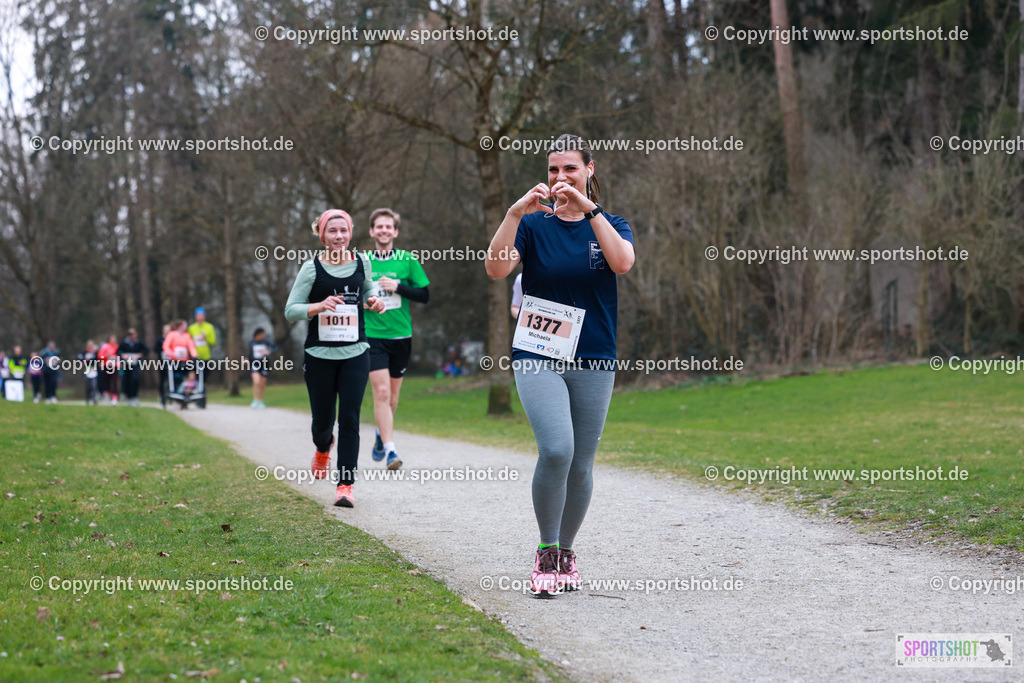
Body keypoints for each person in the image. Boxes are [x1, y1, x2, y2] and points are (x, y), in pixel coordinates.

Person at [485, 133, 635, 597]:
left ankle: (567, 552)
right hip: (539, 354)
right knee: (556, 450)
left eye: (570, 168)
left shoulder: (611, 223)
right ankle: (546, 551)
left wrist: (590, 211)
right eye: (553, 169)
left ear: (590, 169)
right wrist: (513, 214)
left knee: (581, 465)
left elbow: (622, 263)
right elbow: (496, 269)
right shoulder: (533, 226)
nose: (560, 177)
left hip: (594, 356)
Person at [284, 209, 384, 508]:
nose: (339, 236)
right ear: (322, 235)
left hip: (356, 352)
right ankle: (322, 446)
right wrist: (318, 306)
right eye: (332, 231)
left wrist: (374, 300)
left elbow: (368, 289)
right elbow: (291, 310)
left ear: (350, 232)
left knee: (350, 419)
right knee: (322, 423)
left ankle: (345, 485)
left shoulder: (362, 262)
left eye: (343, 230)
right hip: (319, 356)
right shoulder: (311, 268)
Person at [364, 208, 430, 470]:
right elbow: (352, 294)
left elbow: (424, 295)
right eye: (379, 226)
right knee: (381, 392)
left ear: (395, 231)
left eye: (388, 226)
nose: (384, 230)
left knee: (392, 398)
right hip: (373, 336)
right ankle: (391, 451)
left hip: (401, 335)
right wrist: (365, 302)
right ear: (372, 231)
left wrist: (398, 287)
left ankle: (381, 433)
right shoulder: (363, 262)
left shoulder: (407, 260)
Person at [162, 320, 197, 398]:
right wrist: (171, 353)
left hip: (184, 361)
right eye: (185, 325)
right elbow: (166, 345)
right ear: (180, 326)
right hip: (174, 360)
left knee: (189, 372)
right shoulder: (172, 334)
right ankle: (174, 390)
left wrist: (194, 354)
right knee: (174, 376)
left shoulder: (187, 336)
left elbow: (191, 346)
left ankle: (186, 389)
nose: (187, 327)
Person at [246, 327, 279, 409]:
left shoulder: (266, 341)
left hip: (265, 364)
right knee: (256, 381)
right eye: (261, 335)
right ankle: (255, 399)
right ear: (257, 335)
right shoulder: (252, 342)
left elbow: (276, 347)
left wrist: (269, 352)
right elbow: (250, 353)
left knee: (262, 383)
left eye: (263, 335)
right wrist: (246, 359)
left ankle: (260, 400)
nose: (262, 336)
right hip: (255, 364)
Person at [118, 328, 149, 406]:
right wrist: (123, 355)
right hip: (126, 364)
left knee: (135, 379)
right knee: (127, 380)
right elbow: (118, 351)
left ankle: (134, 396)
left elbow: (146, 350)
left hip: (135, 364)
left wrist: (140, 354)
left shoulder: (139, 342)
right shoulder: (124, 343)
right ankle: (128, 397)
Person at [97, 334, 121, 405]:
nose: (113, 340)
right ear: (109, 340)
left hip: (115, 366)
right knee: (106, 382)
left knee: (115, 382)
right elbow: (99, 356)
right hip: (106, 366)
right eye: (112, 339)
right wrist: (106, 356)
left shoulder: (117, 347)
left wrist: (116, 357)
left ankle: (114, 398)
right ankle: (106, 397)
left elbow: (120, 355)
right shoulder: (105, 346)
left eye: (114, 339)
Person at [78, 340, 101, 405]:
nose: (90, 346)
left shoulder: (95, 353)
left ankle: (94, 399)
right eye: (89, 345)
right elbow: (79, 358)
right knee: (88, 387)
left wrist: (90, 360)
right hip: (87, 371)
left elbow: (98, 359)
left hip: (94, 371)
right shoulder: (84, 352)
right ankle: (87, 400)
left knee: (94, 386)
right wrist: (83, 360)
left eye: (91, 345)